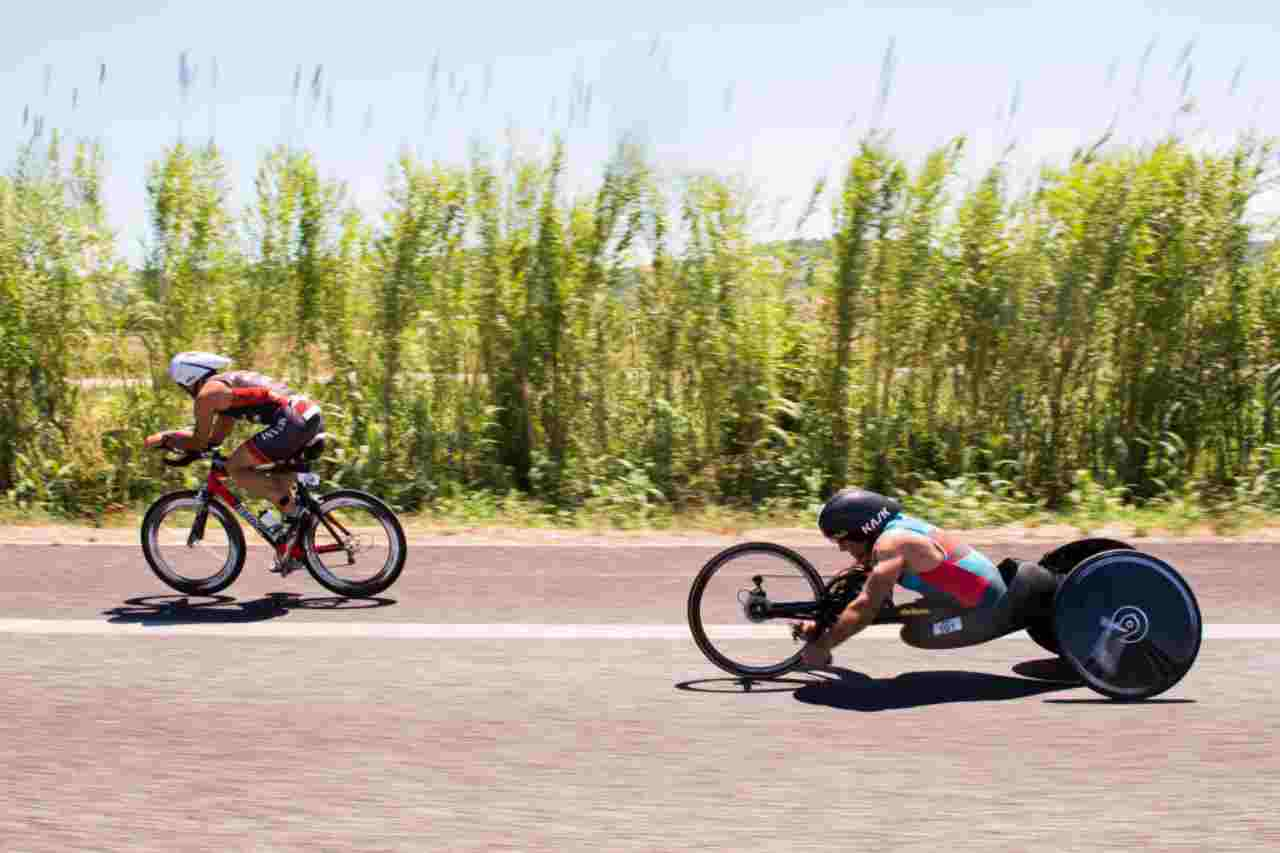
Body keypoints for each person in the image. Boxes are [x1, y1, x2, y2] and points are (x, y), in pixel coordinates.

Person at [797, 487, 1059, 667]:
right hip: (971, 596)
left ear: (863, 530)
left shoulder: (892, 544)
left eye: (841, 540)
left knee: (916, 632)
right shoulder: (894, 529)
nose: (842, 548)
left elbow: (866, 606)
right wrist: (823, 625)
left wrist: (825, 645)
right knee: (896, 612)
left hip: (988, 610)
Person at [144, 352, 323, 541]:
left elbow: (199, 441)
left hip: (292, 422)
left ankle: (297, 514)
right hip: (308, 417)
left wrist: (165, 439)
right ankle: (296, 548)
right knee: (279, 489)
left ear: (188, 379)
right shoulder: (224, 388)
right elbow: (214, 439)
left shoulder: (207, 395)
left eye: (182, 386)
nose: (185, 391)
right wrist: (191, 450)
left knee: (235, 467)